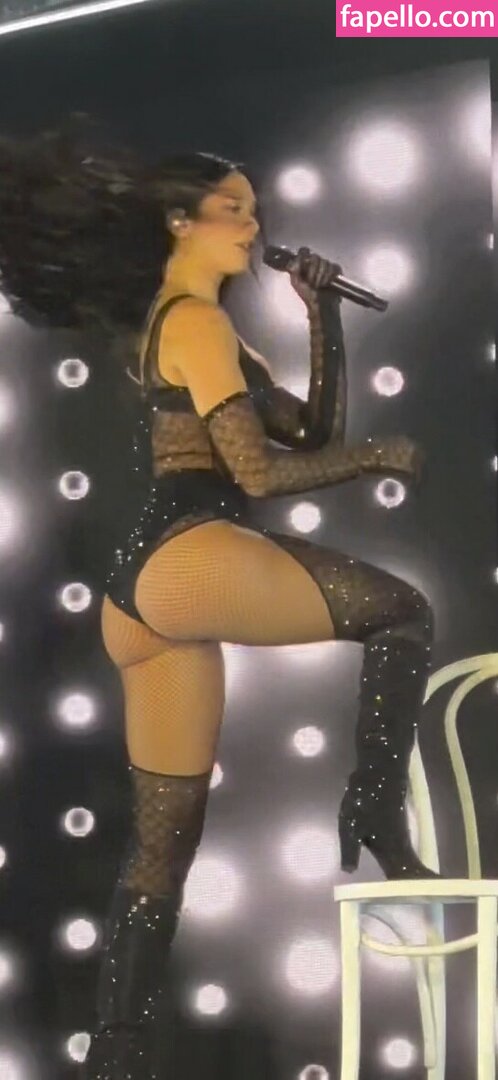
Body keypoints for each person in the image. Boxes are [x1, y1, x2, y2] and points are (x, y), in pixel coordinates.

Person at [0, 121, 440, 1079]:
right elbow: (260, 473)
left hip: (141, 604)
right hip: (185, 556)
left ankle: (115, 1054)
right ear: (179, 221)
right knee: (403, 612)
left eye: (254, 208)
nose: (253, 224)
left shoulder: (198, 323)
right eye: (232, 208)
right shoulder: (193, 323)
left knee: (162, 848)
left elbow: (307, 427)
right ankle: (372, 809)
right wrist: (373, 458)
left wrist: (320, 316)